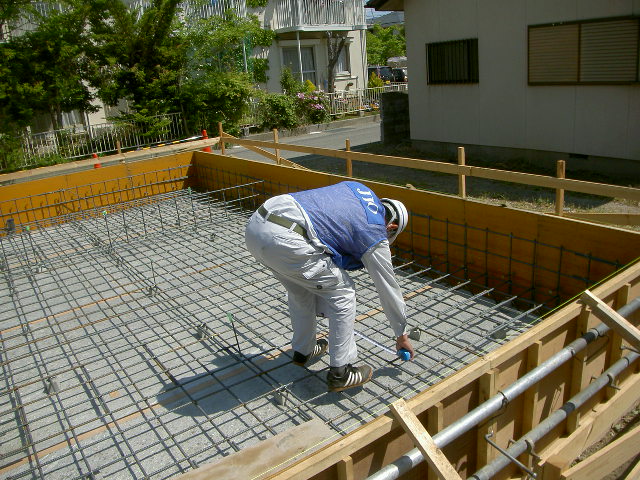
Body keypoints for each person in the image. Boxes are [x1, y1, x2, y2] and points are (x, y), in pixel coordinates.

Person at [244, 181, 415, 392]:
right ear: (392, 227)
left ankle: (304, 350)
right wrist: (401, 335)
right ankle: (341, 372)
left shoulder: (359, 191)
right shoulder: (375, 230)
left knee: (300, 291)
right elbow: (388, 288)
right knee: (343, 293)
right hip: (286, 239)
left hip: (257, 226)